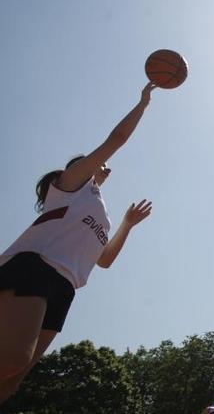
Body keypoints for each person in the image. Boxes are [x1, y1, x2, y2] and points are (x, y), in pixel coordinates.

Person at [0, 83, 157, 402]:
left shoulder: (100, 210)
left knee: (11, 383)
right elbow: (117, 139)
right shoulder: (70, 185)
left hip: (64, 287)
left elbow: (104, 260)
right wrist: (142, 105)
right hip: (34, 268)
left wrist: (126, 224)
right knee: (13, 359)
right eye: (92, 163)